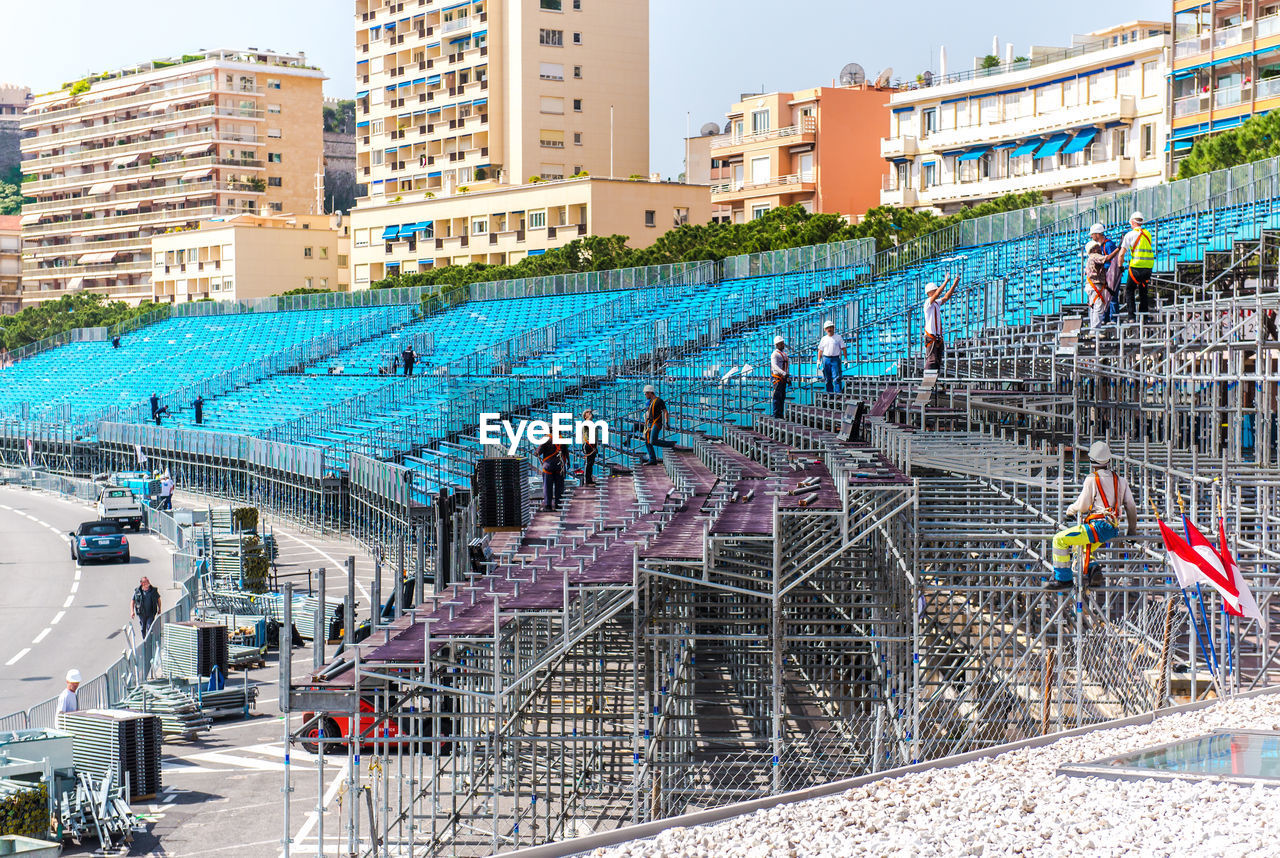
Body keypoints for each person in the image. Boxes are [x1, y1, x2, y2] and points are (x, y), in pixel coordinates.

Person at [1046, 441, 1139, 591]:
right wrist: (1132, 532)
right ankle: (1094, 569)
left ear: (1091, 461)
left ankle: (1063, 579)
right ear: (1108, 460)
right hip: (1112, 528)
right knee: (1079, 547)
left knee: (1059, 539)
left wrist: (1070, 511)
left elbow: (1082, 505)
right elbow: (1131, 507)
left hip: (1097, 527)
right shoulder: (1121, 481)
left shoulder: (1092, 479)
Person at [1119, 211, 1155, 321]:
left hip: (1136, 267)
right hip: (1148, 267)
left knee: (1130, 290)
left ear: (1132, 222)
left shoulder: (1129, 235)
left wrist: (1120, 266)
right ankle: (1144, 316)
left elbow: (1121, 254)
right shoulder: (1148, 234)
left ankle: (1131, 317)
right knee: (1143, 291)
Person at [923, 273, 960, 372]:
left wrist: (954, 285)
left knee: (937, 361)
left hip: (937, 336)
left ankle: (934, 381)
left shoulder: (936, 303)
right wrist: (946, 282)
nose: (936, 291)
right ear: (930, 293)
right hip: (931, 336)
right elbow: (938, 294)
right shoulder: (928, 303)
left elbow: (946, 297)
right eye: (934, 290)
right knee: (931, 360)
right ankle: (927, 380)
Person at [1083, 241, 1119, 331]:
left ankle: (1094, 328)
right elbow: (1107, 258)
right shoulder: (1094, 256)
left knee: (1094, 307)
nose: (1100, 249)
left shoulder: (1090, 258)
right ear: (1093, 249)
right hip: (1095, 285)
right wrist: (1118, 249)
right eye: (1097, 247)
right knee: (1098, 307)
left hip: (1092, 285)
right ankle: (1095, 330)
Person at [1089, 223, 1121, 324]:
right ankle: (1105, 318)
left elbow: (1114, 260)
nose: (1091, 236)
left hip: (1111, 274)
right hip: (1106, 274)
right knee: (1105, 297)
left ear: (1098, 234)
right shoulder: (1101, 246)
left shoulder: (1108, 245)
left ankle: (1113, 319)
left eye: (1093, 234)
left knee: (1112, 296)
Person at [536, 434, 566, 511]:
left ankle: (548, 505)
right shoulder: (561, 438)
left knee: (547, 486)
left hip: (548, 466)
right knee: (559, 487)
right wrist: (568, 462)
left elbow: (538, 452)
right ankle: (558, 505)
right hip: (559, 466)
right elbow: (566, 452)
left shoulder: (546, 439)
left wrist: (536, 452)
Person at [642, 384, 668, 466]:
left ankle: (670, 445)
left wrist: (666, 422)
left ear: (650, 393)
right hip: (650, 423)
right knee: (647, 441)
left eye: (646, 393)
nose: (645, 395)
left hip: (657, 423)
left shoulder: (659, 400)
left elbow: (665, 411)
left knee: (653, 440)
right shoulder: (650, 402)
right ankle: (652, 459)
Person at [816, 320, 845, 394]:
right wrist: (818, 360)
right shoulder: (824, 339)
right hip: (826, 359)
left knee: (836, 377)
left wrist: (845, 359)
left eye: (830, 327)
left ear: (833, 328)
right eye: (827, 328)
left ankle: (838, 393)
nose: (829, 329)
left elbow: (843, 348)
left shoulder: (838, 337)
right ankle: (830, 393)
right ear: (825, 330)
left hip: (835, 359)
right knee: (827, 378)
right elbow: (820, 350)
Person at [770, 335, 789, 419]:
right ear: (777, 345)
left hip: (783, 378)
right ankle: (776, 415)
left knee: (782, 397)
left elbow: (786, 366)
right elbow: (774, 366)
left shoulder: (784, 354)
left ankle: (780, 414)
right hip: (777, 378)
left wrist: (787, 376)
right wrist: (783, 373)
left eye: (782, 343)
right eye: (780, 344)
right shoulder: (774, 354)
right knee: (777, 397)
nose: (782, 345)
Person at [580, 408, 598, 486]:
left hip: (593, 445)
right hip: (587, 445)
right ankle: (587, 480)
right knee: (588, 463)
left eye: (590, 412)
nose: (590, 413)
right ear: (585, 416)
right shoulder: (586, 423)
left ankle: (589, 479)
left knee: (591, 463)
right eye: (587, 412)